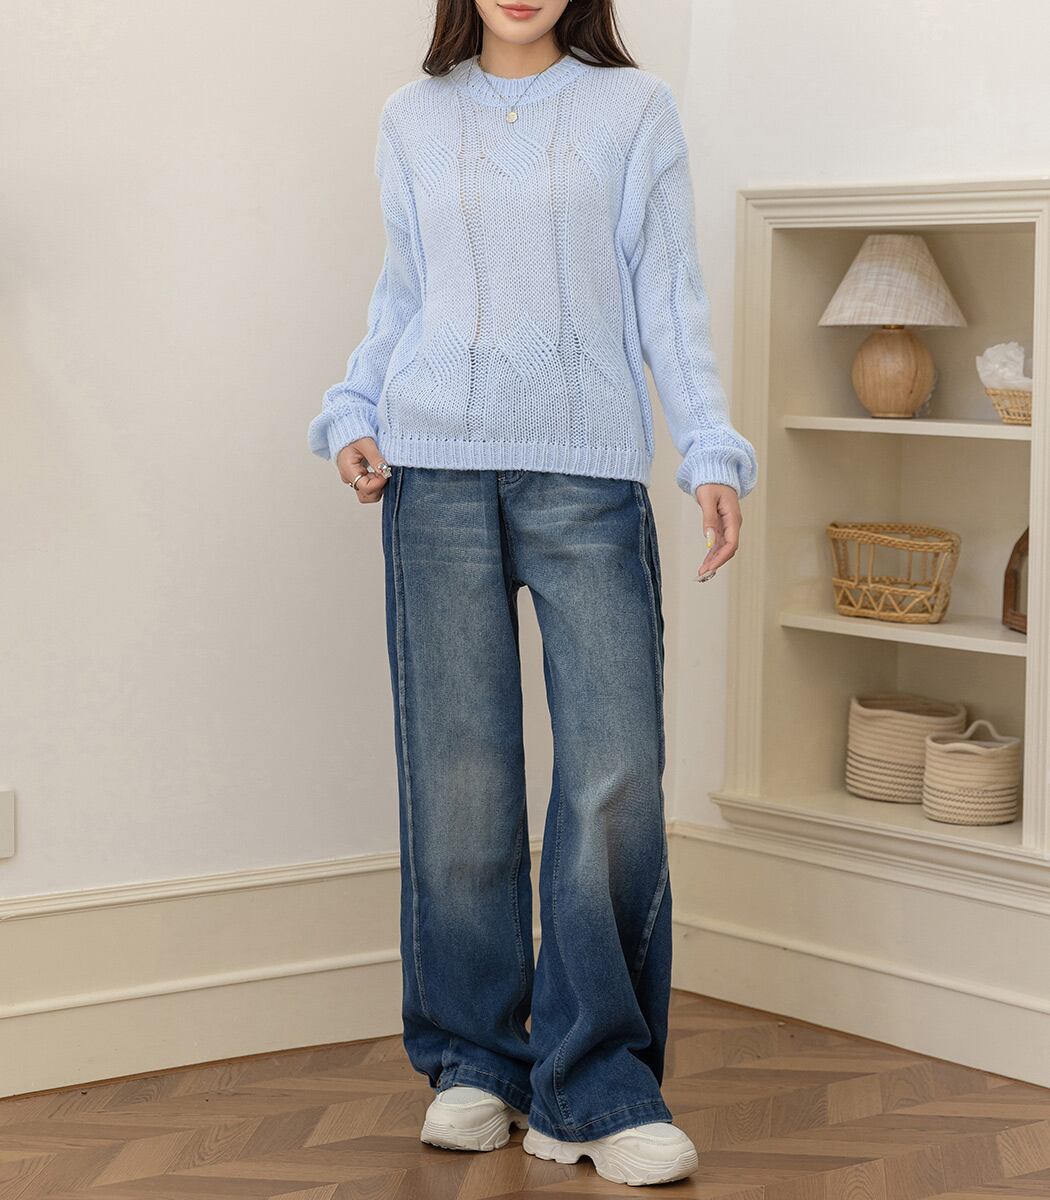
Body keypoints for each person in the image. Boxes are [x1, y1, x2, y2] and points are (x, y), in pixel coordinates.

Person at [307, 0, 757, 1186]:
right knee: (459, 779)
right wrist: (353, 407)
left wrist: (709, 446)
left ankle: (595, 1085)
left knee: (614, 772)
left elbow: (669, 293)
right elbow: (405, 291)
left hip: (587, 473)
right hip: (432, 475)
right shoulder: (412, 118)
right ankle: (477, 1062)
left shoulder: (635, 110)